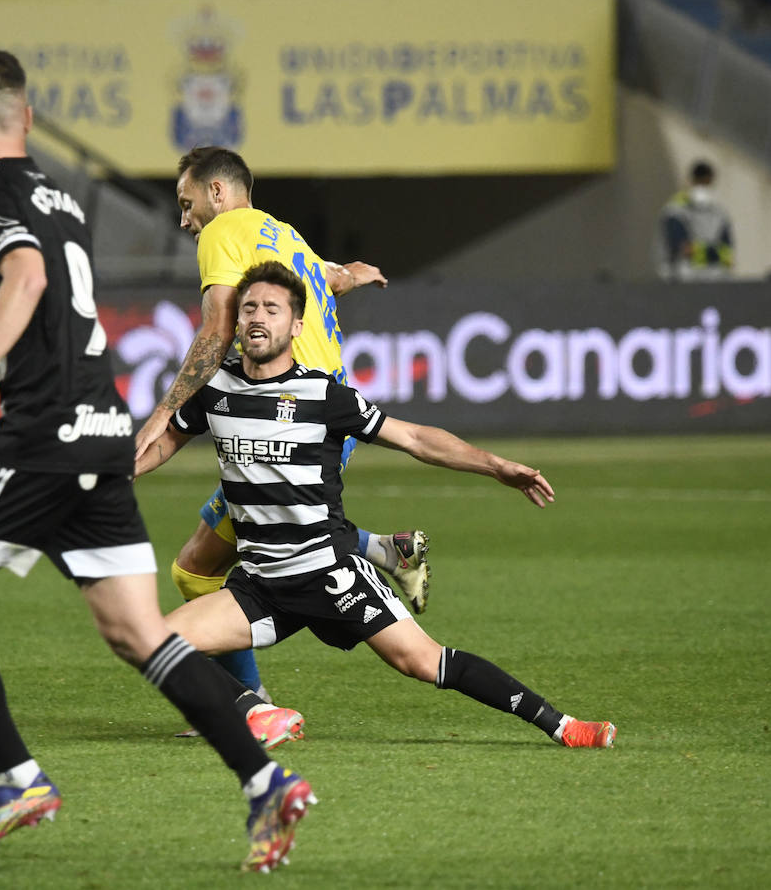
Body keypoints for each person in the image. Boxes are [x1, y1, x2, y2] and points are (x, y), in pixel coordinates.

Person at [0, 50, 313, 872]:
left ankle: (17, 778)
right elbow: (45, 317)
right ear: (27, 121)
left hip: (40, 438)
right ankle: (265, 782)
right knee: (139, 633)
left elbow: (26, 282)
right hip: (101, 429)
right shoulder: (59, 197)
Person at [136, 262, 617, 752]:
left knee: (423, 662)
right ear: (236, 321)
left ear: (296, 326)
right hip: (260, 583)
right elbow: (163, 442)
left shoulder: (323, 395)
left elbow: (413, 437)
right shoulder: (215, 389)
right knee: (152, 641)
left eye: (272, 309)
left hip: (328, 571)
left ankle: (562, 725)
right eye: (249, 308)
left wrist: (494, 465)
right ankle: (259, 712)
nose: (258, 317)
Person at [132, 145, 431, 708]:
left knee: (197, 570)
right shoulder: (282, 233)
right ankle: (388, 553)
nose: (184, 217)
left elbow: (219, 328)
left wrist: (163, 411)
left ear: (217, 193)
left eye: (186, 201)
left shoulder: (222, 232)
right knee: (203, 565)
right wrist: (350, 274)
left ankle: (251, 706)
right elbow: (325, 277)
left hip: (287, 418)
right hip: (321, 418)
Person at [656, 159, 735, 282]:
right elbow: (682, 249)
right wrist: (713, 252)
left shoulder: (719, 214)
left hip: (716, 279)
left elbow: (727, 253)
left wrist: (697, 251)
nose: (703, 187)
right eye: (701, 182)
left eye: (706, 183)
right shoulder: (675, 211)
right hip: (682, 280)